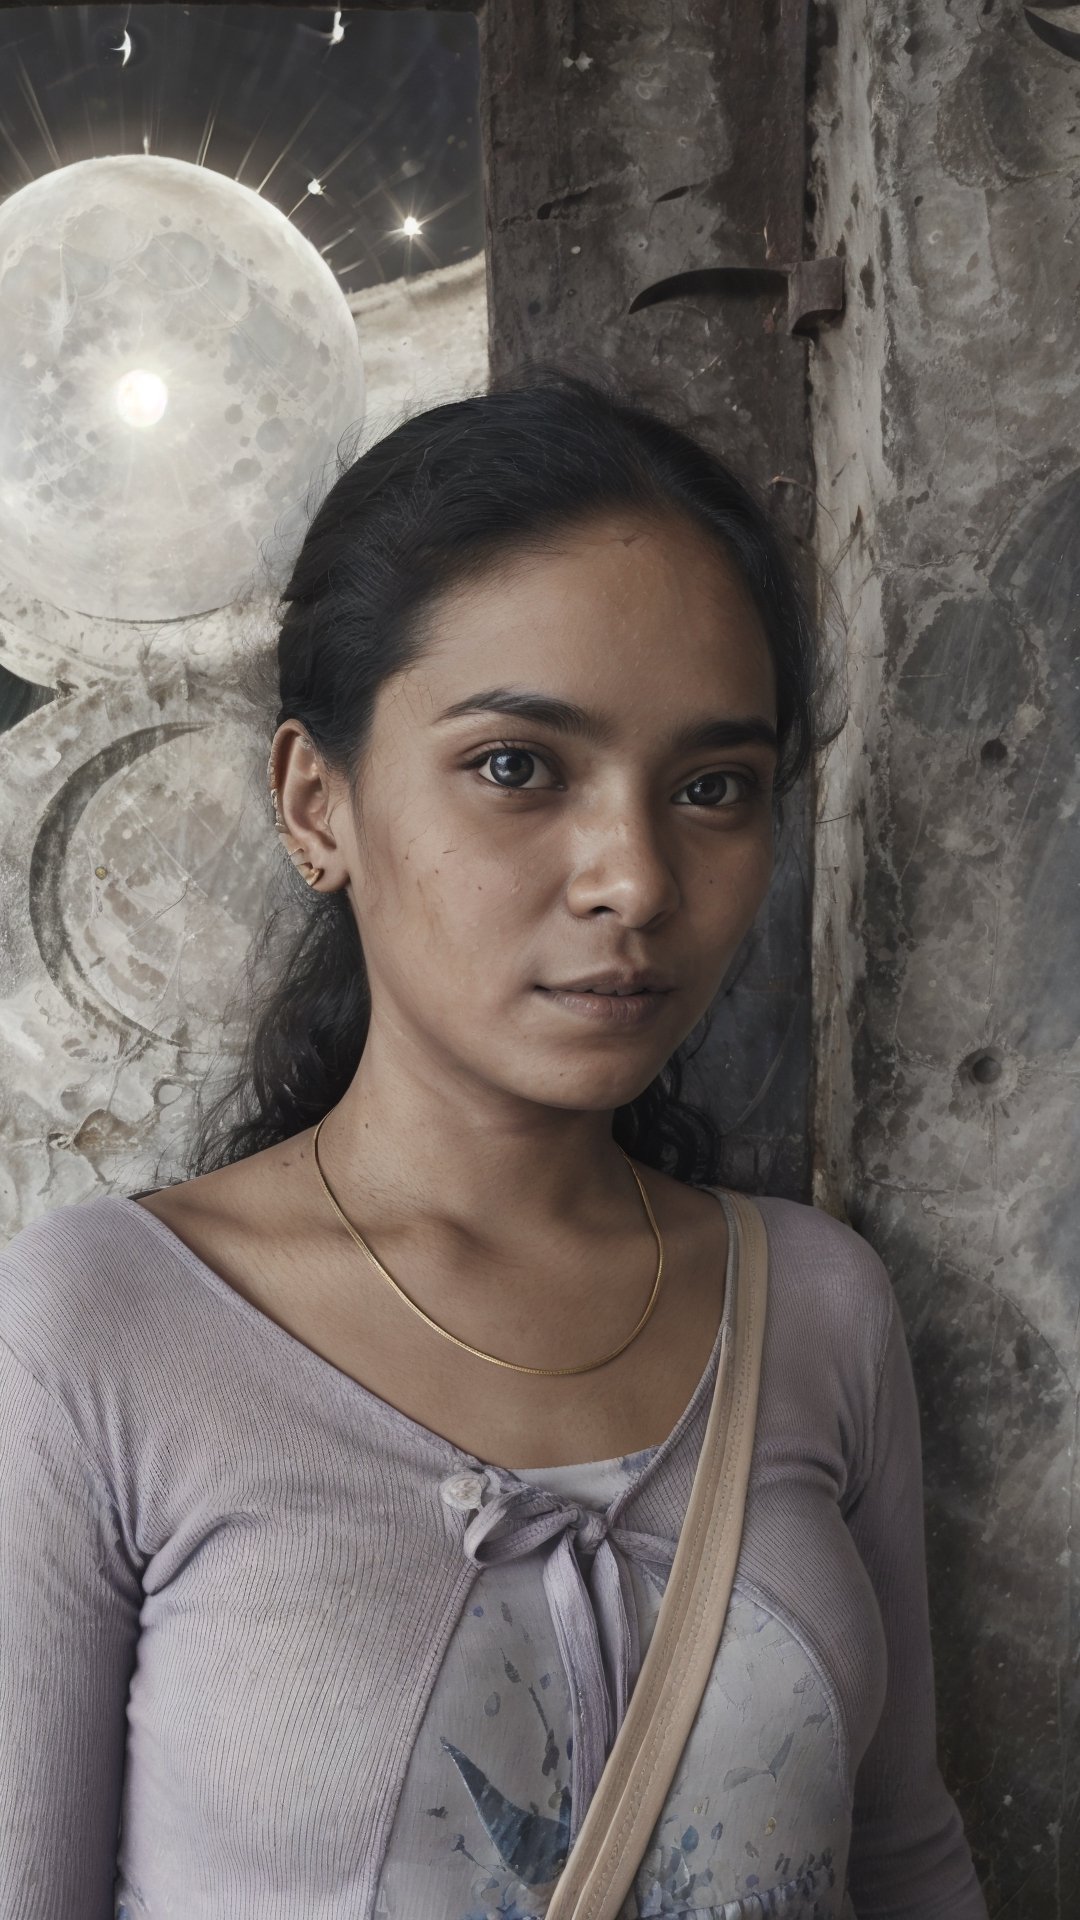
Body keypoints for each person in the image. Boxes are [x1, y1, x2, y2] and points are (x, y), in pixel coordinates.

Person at [0, 367, 988, 1920]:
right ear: (315, 802)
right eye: (519, 767)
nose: (635, 879)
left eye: (714, 788)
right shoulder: (104, 1330)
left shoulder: (816, 1307)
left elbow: (906, 1859)